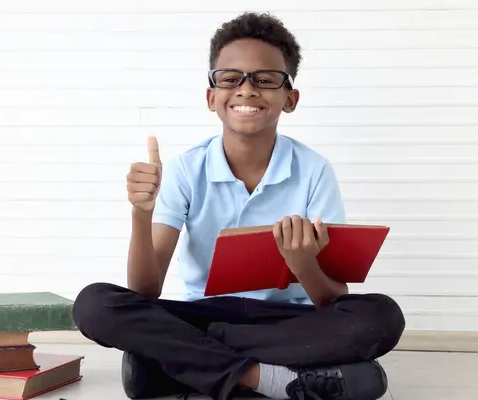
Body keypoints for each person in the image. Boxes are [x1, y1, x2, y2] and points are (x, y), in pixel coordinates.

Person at [72, 11, 405, 400]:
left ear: (290, 98)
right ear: (212, 97)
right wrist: (140, 213)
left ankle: (180, 362)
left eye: (265, 80)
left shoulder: (314, 170)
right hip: (204, 313)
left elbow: (332, 299)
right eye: (231, 79)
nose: (247, 90)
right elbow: (145, 290)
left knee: (381, 317)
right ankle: (264, 378)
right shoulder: (185, 169)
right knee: (94, 304)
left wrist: (302, 264)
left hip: (284, 320)